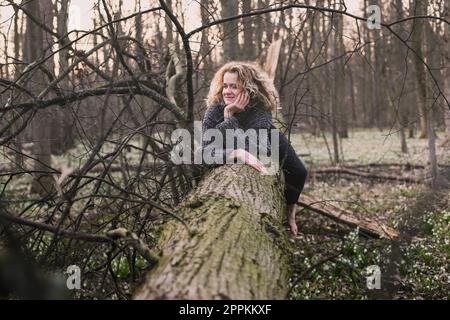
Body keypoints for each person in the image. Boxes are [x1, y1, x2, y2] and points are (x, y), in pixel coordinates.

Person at [201, 61, 308, 237]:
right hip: (241, 141)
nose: (227, 91)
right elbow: (206, 154)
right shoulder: (214, 111)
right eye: (225, 86)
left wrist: (231, 125)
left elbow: (259, 151)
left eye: (234, 86)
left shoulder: (260, 110)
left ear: (248, 88)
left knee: (299, 171)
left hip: (268, 137)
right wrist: (236, 150)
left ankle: (290, 211)